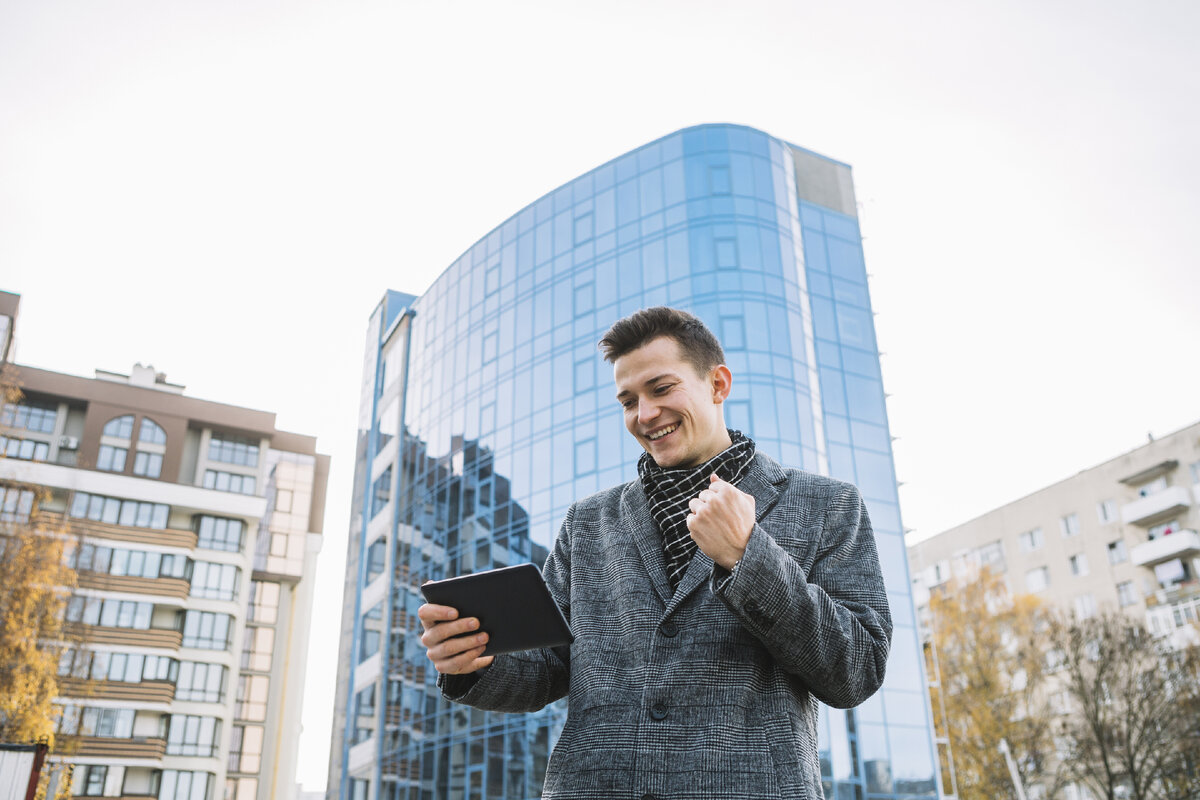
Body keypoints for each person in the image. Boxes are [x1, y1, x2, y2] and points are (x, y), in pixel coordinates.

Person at [418, 306, 891, 799]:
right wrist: (472, 662)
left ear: (718, 385)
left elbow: (857, 670)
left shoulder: (827, 505)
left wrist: (749, 559)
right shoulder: (588, 522)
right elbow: (548, 669)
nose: (644, 415)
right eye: (628, 400)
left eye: (662, 389)